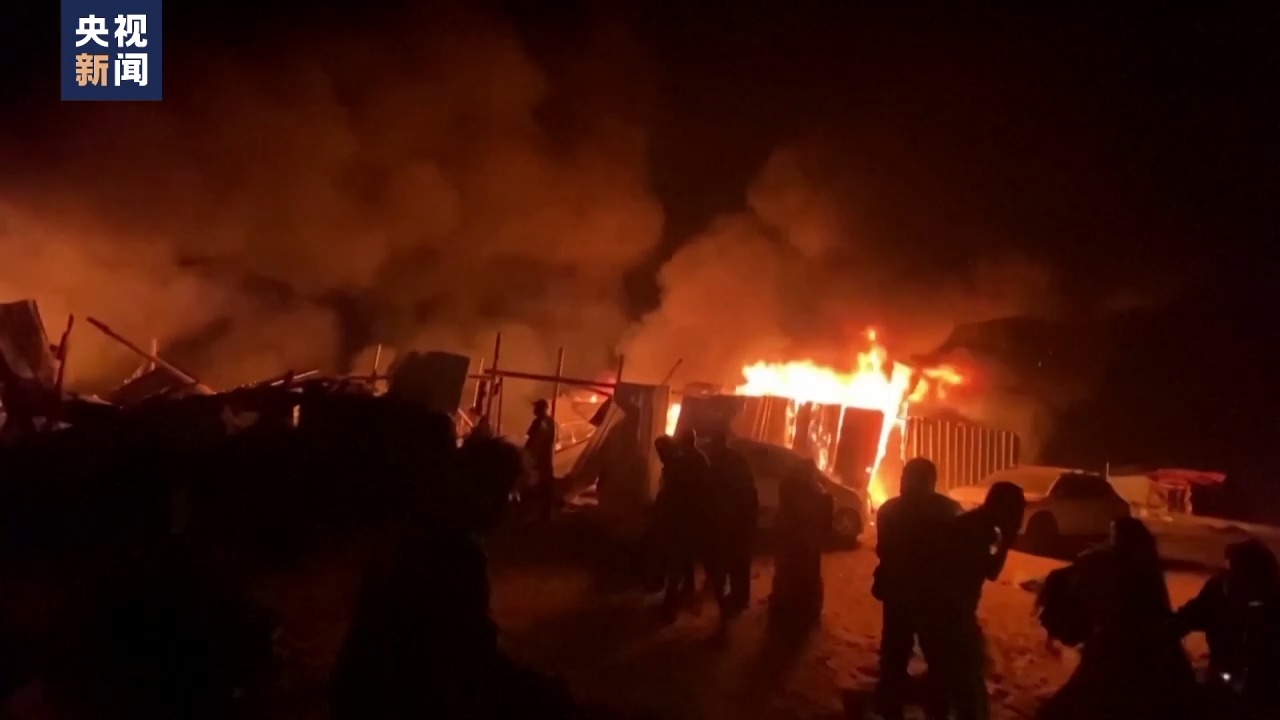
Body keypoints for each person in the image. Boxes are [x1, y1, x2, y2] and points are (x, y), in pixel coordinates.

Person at [1036, 517, 1198, 720]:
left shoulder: (1110, 566)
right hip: (1134, 653)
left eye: (1114, 534)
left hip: (1119, 655)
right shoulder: (1139, 568)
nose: (1110, 538)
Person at [871, 458, 962, 720]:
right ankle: (937, 707)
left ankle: (892, 703)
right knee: (936, 654)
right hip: (932, 596)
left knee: (895, 652)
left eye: (906, 477)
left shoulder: (889, 510)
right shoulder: (948, 510)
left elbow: (884, 550)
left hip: (899, 592)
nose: (902, 481)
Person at [943, 480, 1026, 720]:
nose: (1019, 518)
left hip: (950, 609)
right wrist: (1005, 542)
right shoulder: (982, 530)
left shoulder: (978, 524)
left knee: (958, 674)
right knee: (967, 677)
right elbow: (990, 570)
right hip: (951, 612)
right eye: (1016, 510)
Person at [1176, 538, 1280, 717]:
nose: (1229, 579)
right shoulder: (1216, 591)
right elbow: (1184, 619)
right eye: (1229, 570)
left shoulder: (1273, 611)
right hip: (1216, 690)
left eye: (1238, 574)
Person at [703, 427, 757, 620]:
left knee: (732, 562)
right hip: (736, 521)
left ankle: (735, 599)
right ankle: (739, 597)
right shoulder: (735, 460)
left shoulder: (721, 463)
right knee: (738, 562)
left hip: (731, 522)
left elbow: (713, 492)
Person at [769, 461, 827, 628]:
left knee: (787, 574)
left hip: (791, 539)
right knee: (803, 576)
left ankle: (785, 608)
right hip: (802, 541)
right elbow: (813, 513)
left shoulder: (788, 485)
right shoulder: (810, 490)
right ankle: (804, 611)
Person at [524, 399, 557, 520]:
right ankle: (545, 513)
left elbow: (532, 440)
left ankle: (531, 513)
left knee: (533, 485)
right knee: (546, 487)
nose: (534, 410)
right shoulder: (552, 423)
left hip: (538, 460)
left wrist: (526, 454)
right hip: (547, 460)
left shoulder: (538, 422)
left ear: (542, 409)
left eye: (536, 407)